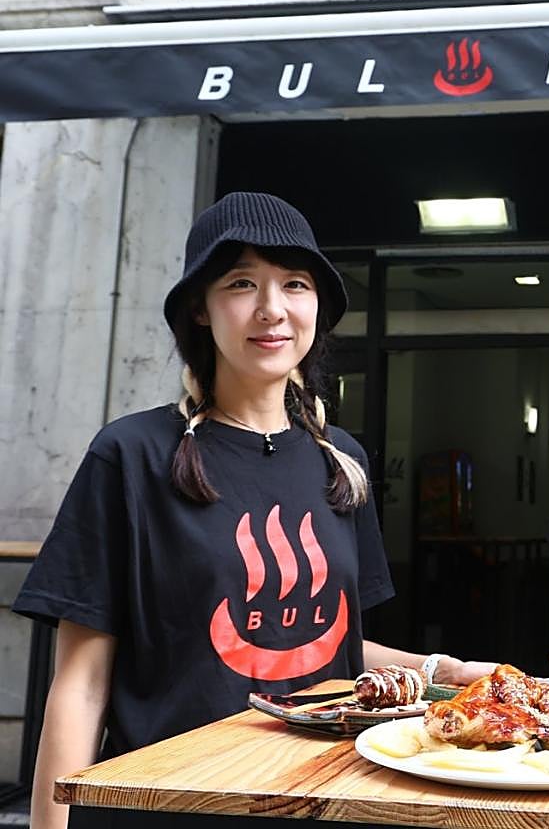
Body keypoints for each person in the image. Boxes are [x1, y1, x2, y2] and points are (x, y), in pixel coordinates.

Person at [14, 192, 494, 829]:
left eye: (294, 284)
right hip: (165, 806)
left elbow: (327, 647)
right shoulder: (131, 455)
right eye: (242, 283)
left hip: (321, 799)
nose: (272, 309)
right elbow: (81, 685)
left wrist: (447, 671)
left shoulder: (341, 461)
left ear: (317, 309)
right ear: (200, 311)